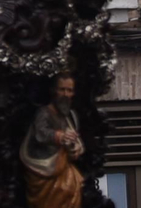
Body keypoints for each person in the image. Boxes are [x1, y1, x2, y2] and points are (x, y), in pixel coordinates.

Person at [20, 73, 84, 208]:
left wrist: (75, 147)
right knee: (62, 190)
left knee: (74, 186)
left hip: (63, 165)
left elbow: (75, 138)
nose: (65, 94)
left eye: (69, 90)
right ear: (53, 91)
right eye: (62, 89)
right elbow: (40, 133)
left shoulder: (70, 115)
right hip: (44, 166)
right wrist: (59, 136)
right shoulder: (44, 112)